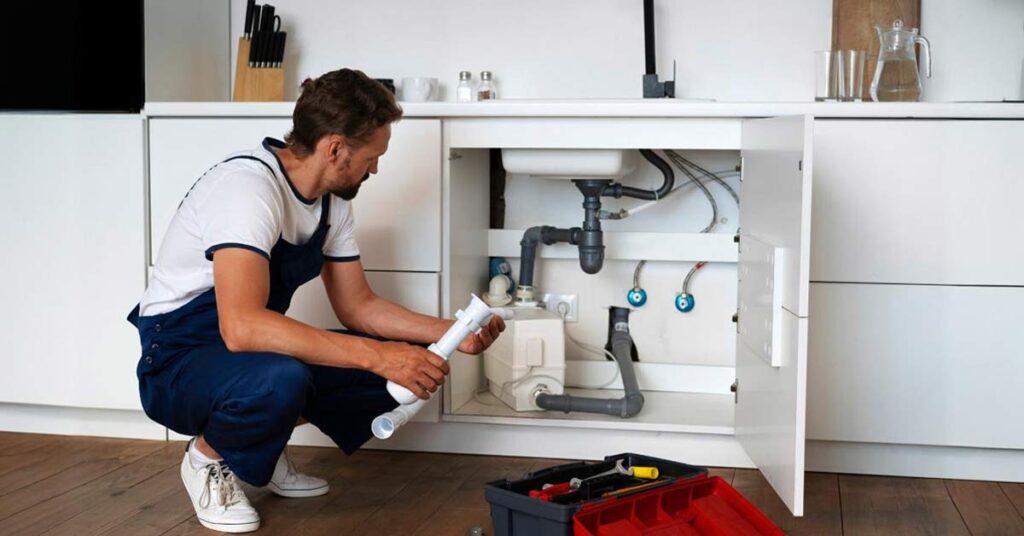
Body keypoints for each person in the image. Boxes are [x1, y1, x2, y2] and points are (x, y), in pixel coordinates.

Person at [126, 68, 504, 533]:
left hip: (246, 352)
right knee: (286, 379)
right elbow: (241, 326)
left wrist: (450, 333)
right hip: (178, 360)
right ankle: (207, 460)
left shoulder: (332, 202)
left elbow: (359, 307)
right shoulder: (248, 190)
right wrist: (378, 356)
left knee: (399, 369)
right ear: (335, 148)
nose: (376, 168)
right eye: (372, 156)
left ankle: (261, 444)